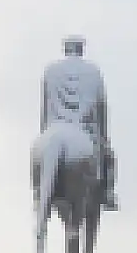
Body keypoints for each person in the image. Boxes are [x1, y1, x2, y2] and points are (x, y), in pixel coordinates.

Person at [41, 35, 118, 210]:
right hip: (84, 128)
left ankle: (39, 194)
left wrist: (44, 132)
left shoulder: (51, 71)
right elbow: (101, 106)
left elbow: (45, 108)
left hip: (54, 126)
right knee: (109, 157)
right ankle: (107, 194)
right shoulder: (93, 71)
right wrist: (104, 139)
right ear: (81, 49)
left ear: (65, 49)